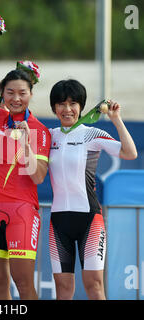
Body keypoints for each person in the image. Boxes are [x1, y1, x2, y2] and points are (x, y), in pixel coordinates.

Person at [0, 40, 51, 299]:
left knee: (24, 285)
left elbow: (37, 176)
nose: (16, 98)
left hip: (23, 212)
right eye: (10, 92)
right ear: (2, 93)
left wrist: (26, 143)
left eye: (22, 93)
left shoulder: (40, 130)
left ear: (31, 94)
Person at [48, 79, 137, 300]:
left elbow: (130, 153)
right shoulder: (48, 136)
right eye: (61, 104)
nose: (67, 109)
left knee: (94, 285)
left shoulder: (91, 134)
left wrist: (116, 120)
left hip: (89, 220)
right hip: (59, 222)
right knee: (63, 288)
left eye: (73, 103)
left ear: (81, 106)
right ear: (54, 108)